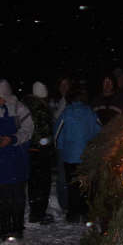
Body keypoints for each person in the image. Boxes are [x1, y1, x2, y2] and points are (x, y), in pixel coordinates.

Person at [0, 79, 34, 241]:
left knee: (18, 195)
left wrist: (13, 139)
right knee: (3, 196)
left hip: (18, 157)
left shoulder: (20, 109)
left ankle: (17, 228)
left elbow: (28, 129)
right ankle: (5, 229)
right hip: (0, 159)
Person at [54, 80, 101, 223]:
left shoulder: (66, 113)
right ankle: (85, 212)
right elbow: (99, 131)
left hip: (70, 156)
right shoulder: (90, 113)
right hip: (86, 156)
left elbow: (58, 134)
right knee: (85, 185)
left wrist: (60, 148)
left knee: (72, 185)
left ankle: (73, 214)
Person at [23, 81, 55, 225]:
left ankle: (34, 211)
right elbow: (45, 130)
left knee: (33, 182)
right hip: (41, 150)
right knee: (43, 182)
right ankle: (39, 213)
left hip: (29, 149)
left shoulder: (25, 105)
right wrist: (48, 143)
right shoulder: (41, 108)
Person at [49, 76, 71, 212]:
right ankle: (64, 204)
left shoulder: (73, 101)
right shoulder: (55, 102)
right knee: (62, 175)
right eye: (61, 85)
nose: (64, 87)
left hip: (73, 144)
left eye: (66, 84)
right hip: (61, 144)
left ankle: (72, 202)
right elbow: (54, 120)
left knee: (72, 174)